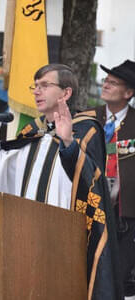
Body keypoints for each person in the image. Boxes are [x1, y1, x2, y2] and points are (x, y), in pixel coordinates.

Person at [0, 64, 122, 299]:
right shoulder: (33, 133)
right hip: (24, 239)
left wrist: (68, 143)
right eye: (35, 86)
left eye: (45, 85)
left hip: (62, 242)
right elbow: (2, 169)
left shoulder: (86, 130)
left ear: (65, 93)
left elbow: (90, 181)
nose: (36, 91)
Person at [85, 60, 135, 296]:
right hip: (88, 208)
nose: (106, 85)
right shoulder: (87, 118)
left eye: (113, 83)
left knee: (119, 278)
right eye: (106, 80)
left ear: (128, 93)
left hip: (125, 217)